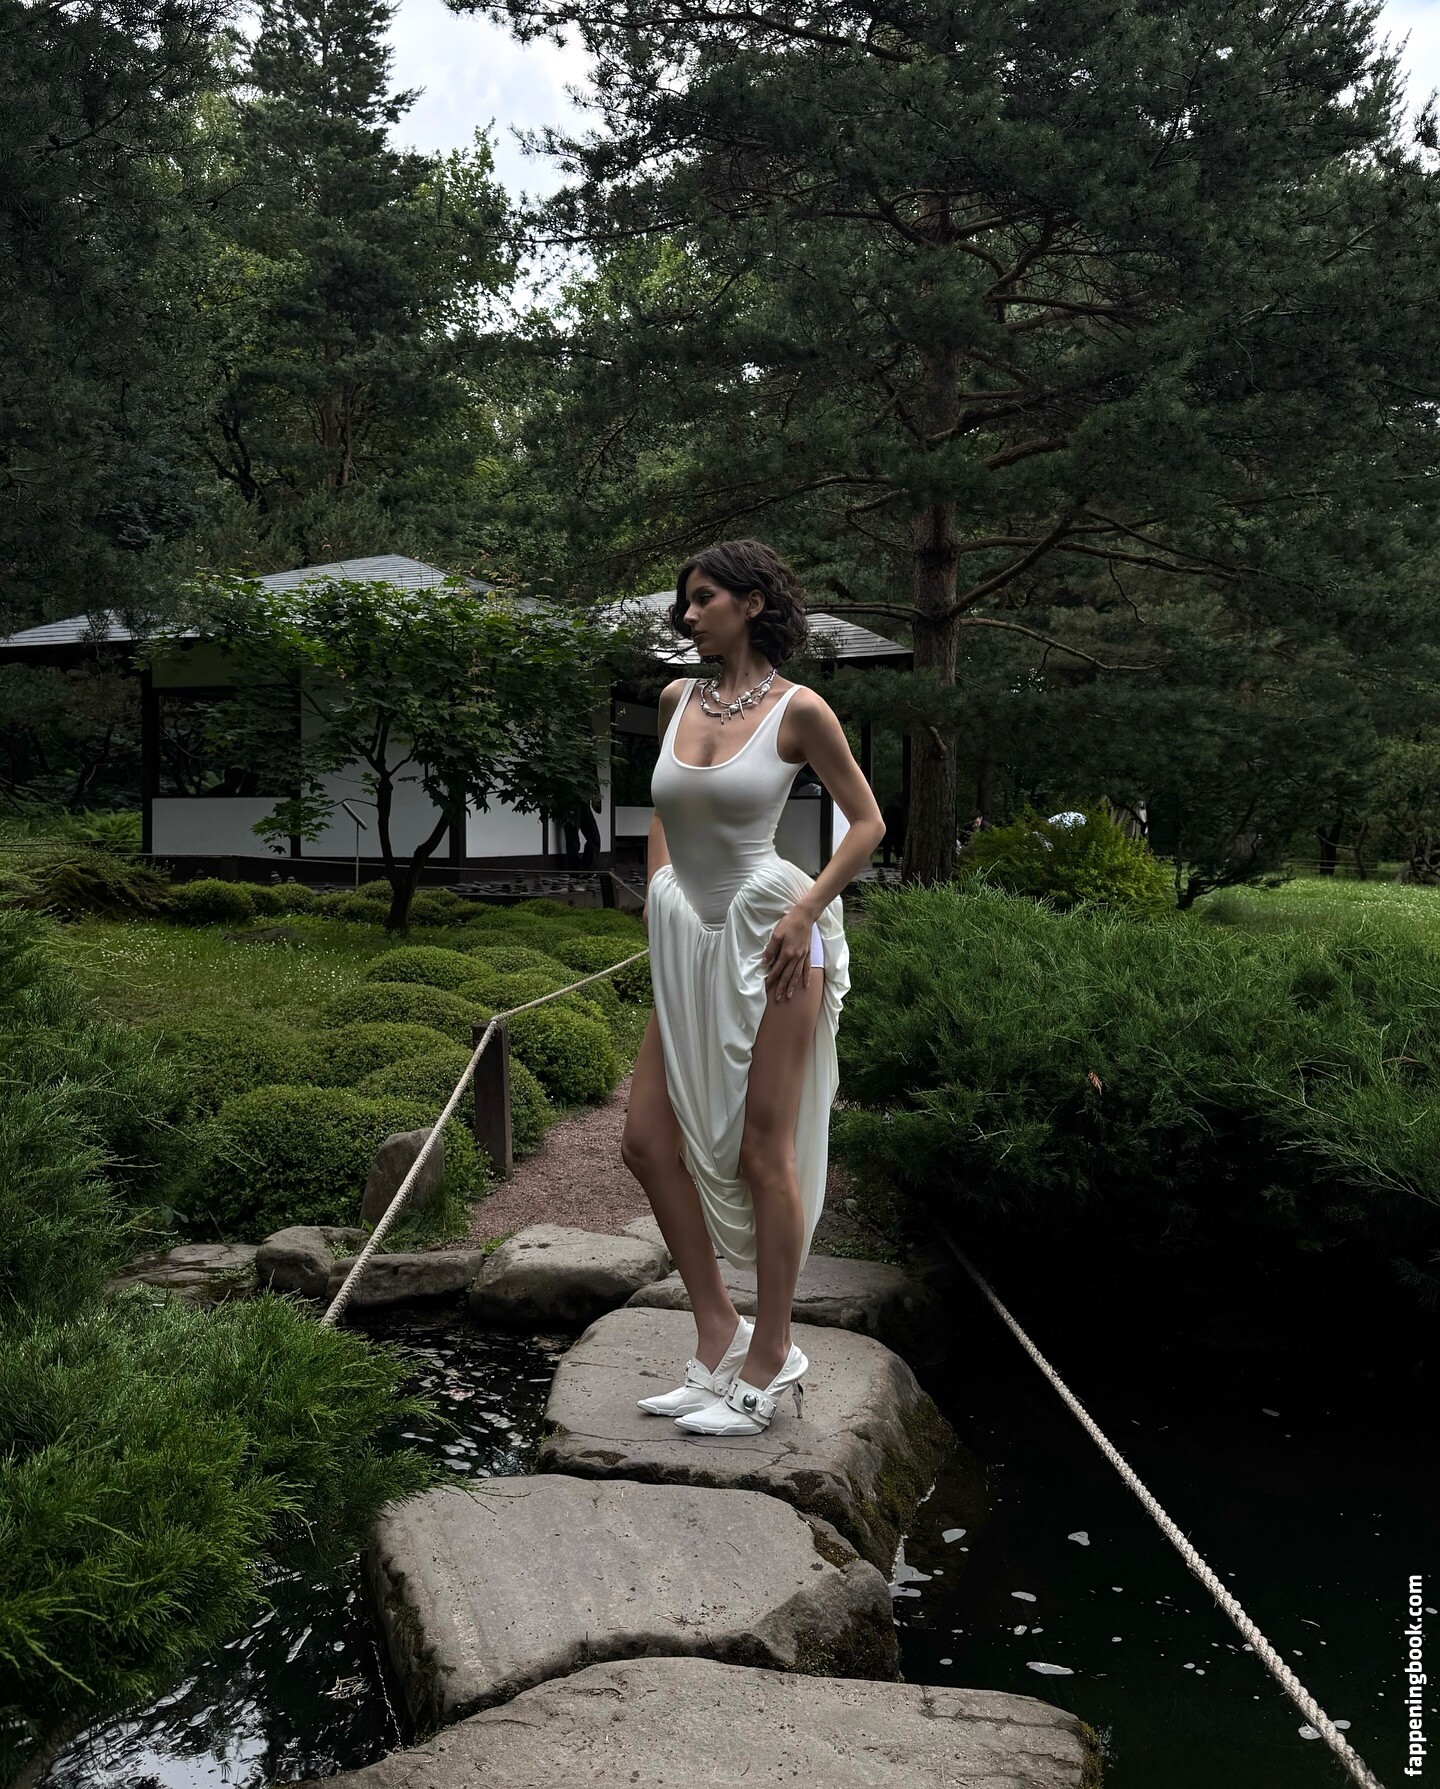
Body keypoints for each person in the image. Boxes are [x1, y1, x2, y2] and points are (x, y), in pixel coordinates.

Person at [620, 538, 885, 1436]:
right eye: (685, 600)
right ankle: (716, 1327)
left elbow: (867, 822)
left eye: (703, 598)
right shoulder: (676, 699)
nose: (687, 614)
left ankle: (774, 1352)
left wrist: (808, 909)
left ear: (753, 603)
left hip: (775, 936)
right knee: (646, 1140)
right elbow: (665, 812)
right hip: (686, 936)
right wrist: (660, 895)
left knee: (764, 1152)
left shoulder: (799, 710)